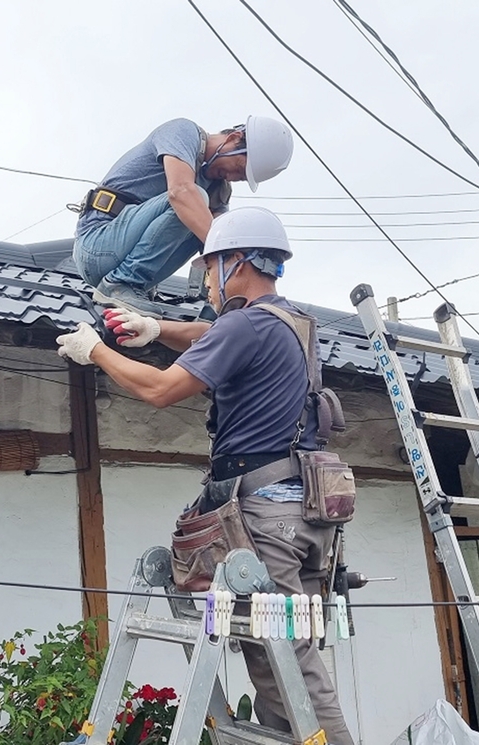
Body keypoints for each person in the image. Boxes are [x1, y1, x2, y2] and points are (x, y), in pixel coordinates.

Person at [55, 206, 354, 745]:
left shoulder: (245, 325)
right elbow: (210, 334)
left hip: (266, 513)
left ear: (235, 263)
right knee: (278, 653)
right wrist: (155, 329)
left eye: (208, 269)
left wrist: (95, 350)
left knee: (290, 654)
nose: (207, 283)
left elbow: (160, 390)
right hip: (305, 510)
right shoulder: (293, 323)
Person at [72, 116, 293, 317]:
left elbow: (214, 250)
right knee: (193, 200)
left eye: (242, 178)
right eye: (239, 168)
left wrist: (220, 305)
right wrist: (226, 247)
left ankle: (133, 284)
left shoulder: (219, 190)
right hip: (97, 246)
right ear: (234, 139)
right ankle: (120, 283)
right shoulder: (183, 133)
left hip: (141, 275)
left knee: (216, 229)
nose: (233, 178)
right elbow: (180, 192)